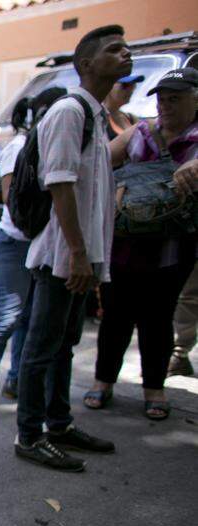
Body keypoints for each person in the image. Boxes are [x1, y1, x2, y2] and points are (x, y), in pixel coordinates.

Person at [13, 25, 131, 473]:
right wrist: (79, 254)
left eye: (126, 49)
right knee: (41, 346)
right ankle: (29, 434)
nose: (125, 55)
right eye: (113, 50)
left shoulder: (96, 116)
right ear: (86, 64)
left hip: (82, 254)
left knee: (64, 345)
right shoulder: (68, 111)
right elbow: (59, 184)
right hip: (62, 254)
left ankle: (59, 424)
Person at [84, 68, 198, 420]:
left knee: (158, 318)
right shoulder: (141, 132)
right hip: (125, 244)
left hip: (172, 249)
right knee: (115, 316)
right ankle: (103, 382)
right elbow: (100, 161)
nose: (165, 106)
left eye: (175, 99)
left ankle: (154, 388)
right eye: (162, 99)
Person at [0, 87, 68, 419]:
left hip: (40, 243)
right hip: (16, 243)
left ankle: (16, 380)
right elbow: (14, 203)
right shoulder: (19, 148)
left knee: (29, 319)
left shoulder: (55, 145)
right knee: (8, 318)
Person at [104, 74, 143, 140]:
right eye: (125, 85)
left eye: (133, 86)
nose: (130, 90)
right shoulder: (99, 118)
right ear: (108, 87)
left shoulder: (131, 118)